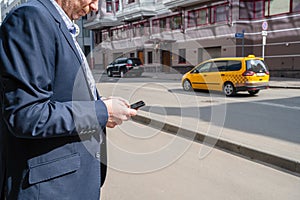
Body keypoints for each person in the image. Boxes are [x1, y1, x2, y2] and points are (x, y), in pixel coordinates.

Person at [0, 0, 137, 199]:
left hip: (69, 184)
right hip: (50, 189)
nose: (95, 8)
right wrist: (102, 111)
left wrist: (99, 106)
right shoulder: (32, 18)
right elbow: (27, 115)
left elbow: (59, 94)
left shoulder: (56, 23)